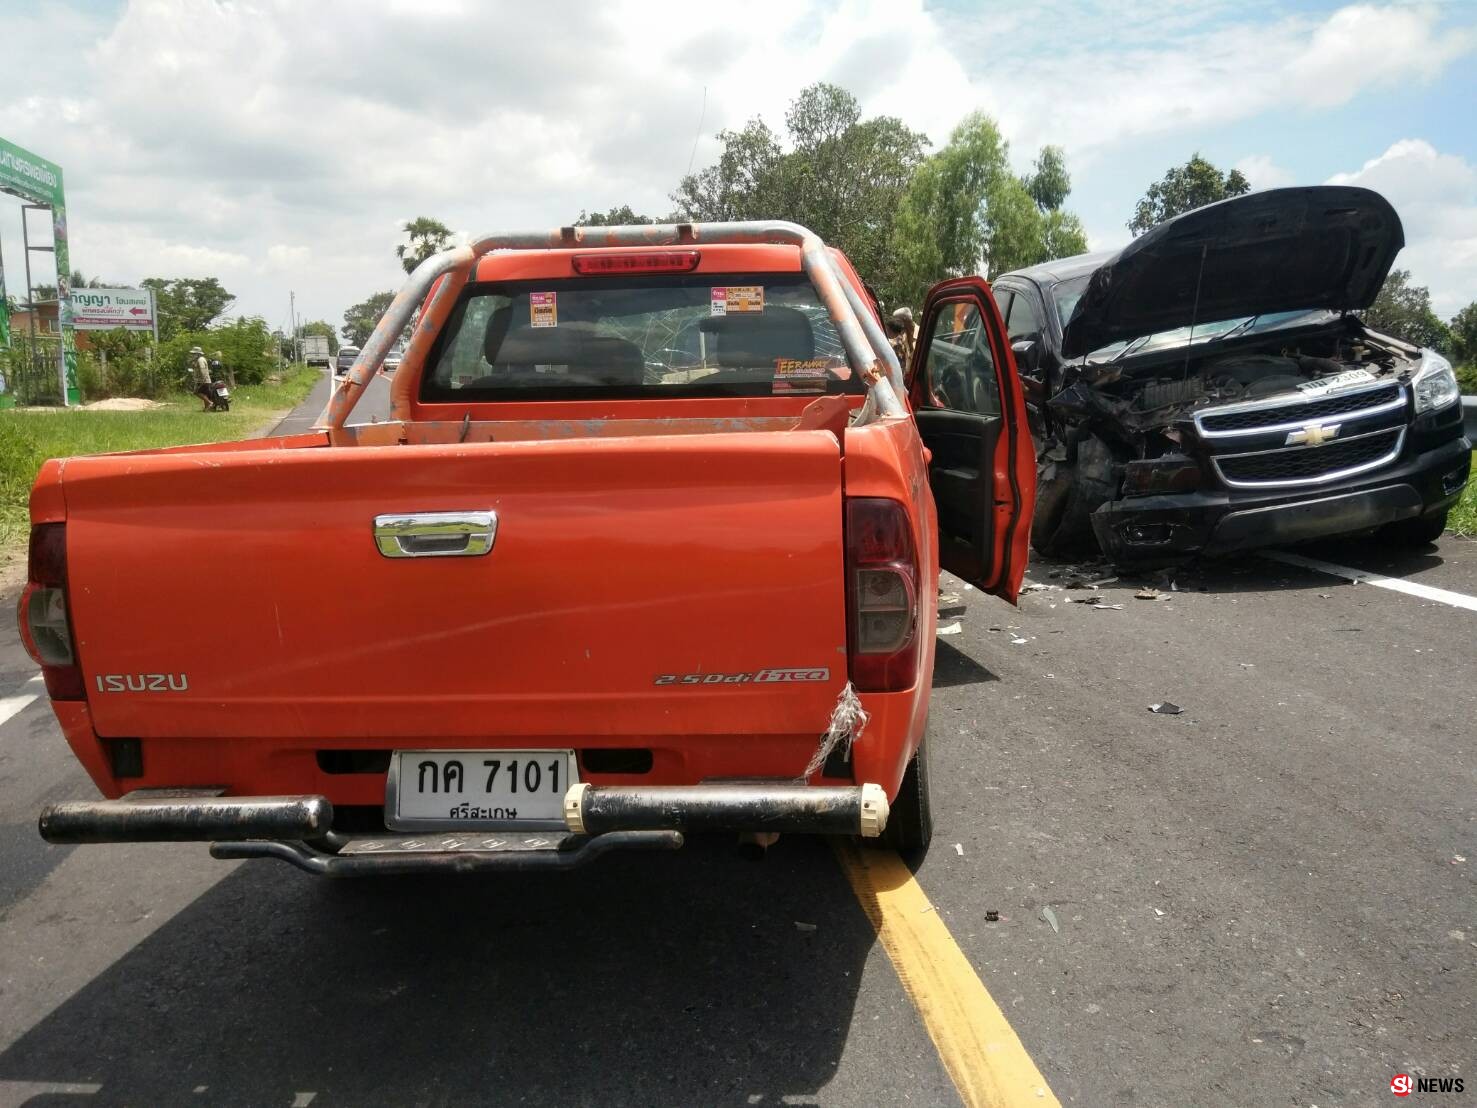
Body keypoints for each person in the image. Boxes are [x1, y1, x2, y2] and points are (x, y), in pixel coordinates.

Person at [189, 346, 213, 411]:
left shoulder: (200, 360)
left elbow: (202, 370)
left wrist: (203, 379)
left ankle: (209, 403)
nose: (193, 355)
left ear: (198, 354)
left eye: (194, 354)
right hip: (204, 380)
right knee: (205, 394)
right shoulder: (199, 359)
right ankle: (206, 408)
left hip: (203, 380)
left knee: (196, 392)